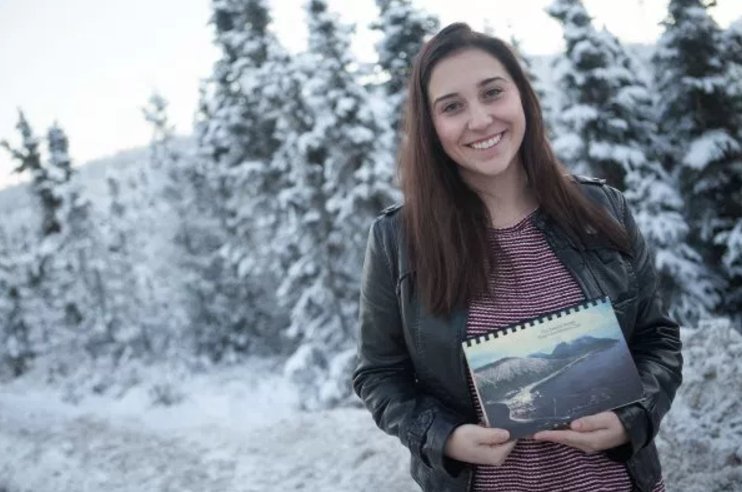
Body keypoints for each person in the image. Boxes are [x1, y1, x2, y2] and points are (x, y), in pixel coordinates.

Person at [352, 23, 682, 492]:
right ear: (430, 126)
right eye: (452, 106)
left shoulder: (602, 210)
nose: (480, 120)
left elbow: (657, 339)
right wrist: (446, 438)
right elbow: (379, 375)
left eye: (493, 92)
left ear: (522, 96)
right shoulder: (398, 240)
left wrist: (633, 416)